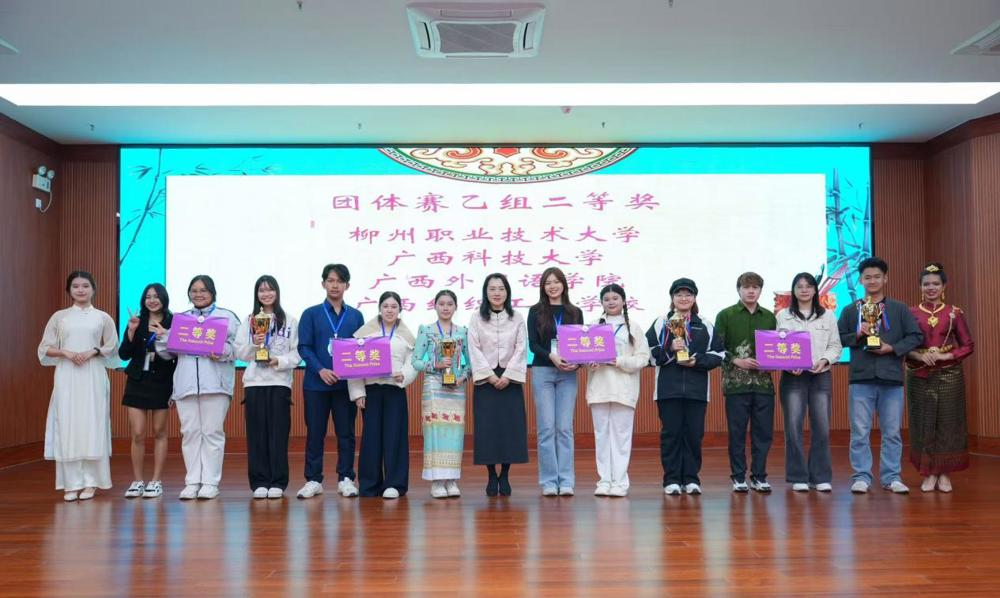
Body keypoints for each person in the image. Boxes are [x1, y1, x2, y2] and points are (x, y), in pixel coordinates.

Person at [837, 257, 923, 494]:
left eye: (877, 276)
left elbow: (915, 336)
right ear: (860, 280)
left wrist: (892, 348)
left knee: (892, 432)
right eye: (867, 277)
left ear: (885, 278)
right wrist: (856, 333)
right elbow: (838, 338)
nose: (872, 281)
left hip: (892, 377)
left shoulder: (899, 309)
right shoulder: (850, 310)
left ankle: (891, 477)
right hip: (861, 378)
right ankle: (862, 477)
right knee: (860, 432)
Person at [155, 274, 240, 500]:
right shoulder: (180, 318)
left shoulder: (227, 317)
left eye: (203, 290)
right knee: (190, 433)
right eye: (194, 290)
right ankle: (192, 481)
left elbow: (239, 349)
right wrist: (164, 337)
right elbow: (166, 353)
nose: (198, 294)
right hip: (186, 385)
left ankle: (210, 482)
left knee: (212, 433)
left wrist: (221, 351)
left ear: (212, 292)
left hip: (216, 384)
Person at [38, 271, 118, 501]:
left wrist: (93, 351)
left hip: (93, 374)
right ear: (69, 290)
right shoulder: (59, 317)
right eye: (76, 286)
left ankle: (92, 482)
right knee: (67, 423)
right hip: (66, 374)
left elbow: (112, 347)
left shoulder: (102, 317)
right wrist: (65, 352)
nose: (81, 290)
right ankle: (70, 483)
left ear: (93, 289)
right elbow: (44, 349)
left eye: (85, 286)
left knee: (92, 423)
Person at [646, 278, 725, 496]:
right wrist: (669, 347)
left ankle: (691, 479)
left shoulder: (705, 324)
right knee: (671, 434)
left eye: (688, 294)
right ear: (672, 298)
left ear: (694, 298)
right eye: (679, 294)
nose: (684, 298)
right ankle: (671, 479)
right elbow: (648, 354)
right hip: (667, 390)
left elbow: (719, 355)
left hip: (697, 391)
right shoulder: (661, 323)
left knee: (693, 434)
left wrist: (696, 361)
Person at [296, 264, 365, 499]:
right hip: (316, 384)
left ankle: (346, 478)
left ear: (347, 285)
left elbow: (360, 349)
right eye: (331, 280)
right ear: (323, 283)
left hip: (345, 386)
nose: (335, 285)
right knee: (315, 433)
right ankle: (313, 479)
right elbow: (304, 347)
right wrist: (320, 369)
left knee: (346, 433)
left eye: (340, 281)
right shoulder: (311, 314)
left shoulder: (356, 316)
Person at [905, 263, 975, 493]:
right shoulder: (911, 313)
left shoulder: (954, 312)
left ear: (944, 286)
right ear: (920, 287)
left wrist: (945, 355)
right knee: (923, 422)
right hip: (920, 374)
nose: (931, 287)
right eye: (926, 284)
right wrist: (919, 355)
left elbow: (968, 345)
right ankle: (929, 472)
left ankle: (944, 473)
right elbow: (904, 344)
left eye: (936, 283)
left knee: (948, 423)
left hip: (949, 375)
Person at [775, 273, 843, 492]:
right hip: (792, 377)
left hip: (820, 375)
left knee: (821, 427)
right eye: (799, 286)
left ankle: (820, 476)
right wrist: (787, 364)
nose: (804, 290)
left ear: (815, 290)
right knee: (793, 427)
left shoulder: (828, 316)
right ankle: (798, 476)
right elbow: (777, 347)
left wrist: (825, 360)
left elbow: (836, 346)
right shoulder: (783, 316)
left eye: (808, 286)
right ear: (793, 291)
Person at [234, 275, 300, 499]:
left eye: (270, 290)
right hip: (254, 384)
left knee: (278, 435)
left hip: (279, 383)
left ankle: (278, 482)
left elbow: (297, 353)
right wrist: (255, 342)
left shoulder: (290, 321)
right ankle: (259, 481)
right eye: (262, 290)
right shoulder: (249, 320)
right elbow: (239, 352)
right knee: (256, 435)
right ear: (256, 294)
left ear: (277, 292)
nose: (266, 294)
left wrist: (278, 362)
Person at [348, 292, 418, 499]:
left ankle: (394, 484)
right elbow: (354, 365)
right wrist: (358, 393)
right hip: (371, 392)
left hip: (395, 391)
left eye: (394, 306)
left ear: (400, 310)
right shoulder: (365, 333)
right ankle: (370, 484)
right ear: (379, 308)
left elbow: (412, 362)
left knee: (395, 437)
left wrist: (403, 375)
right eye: (386, 306)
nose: (389, 310)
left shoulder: (405, 335)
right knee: (371, 439)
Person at [714, 272, 777, 493]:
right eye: (746, 287)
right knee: (737, 432)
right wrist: (737, 360)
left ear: (761, 290)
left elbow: (776, 349)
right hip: (735, 384)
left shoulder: (769, 317)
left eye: (756, 287)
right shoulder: (726, 315)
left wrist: (772, 361)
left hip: (763, 385)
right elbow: (717, 348)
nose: (751, 291)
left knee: (763, 433)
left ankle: (759, 476)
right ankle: (738, 477)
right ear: (738, 289)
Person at [585, 284, 650, 497]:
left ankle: (620, 482)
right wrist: (590, 362)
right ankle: (604, 480)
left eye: (615, 298)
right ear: (601, 303)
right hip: (599, 388)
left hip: (624, 388)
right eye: (607, 299)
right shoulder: (593, 326)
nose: (611, 302)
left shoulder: (634, 328)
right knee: (601, 436)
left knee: (621, 437)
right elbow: (583, 355)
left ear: (623, 301)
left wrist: (618, 360)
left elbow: (643, 358)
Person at [467, 273, 529, 496]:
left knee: (509, 428)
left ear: (507, 292)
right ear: (486, 292)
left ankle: (505, 475)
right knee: (488, 429)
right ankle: (491, 474)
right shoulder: (476, 318)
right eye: (492, 289)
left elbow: (522, 347)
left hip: (510, 379)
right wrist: (490, 376)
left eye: (501, 288)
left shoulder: (517, 317)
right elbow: (473, 347)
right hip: (486, 379)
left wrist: (508, 375)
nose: (496, 293)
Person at [527, 267, 584, 496]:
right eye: (547, 282)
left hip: (568, 374)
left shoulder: (575, 311)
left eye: (556, 282)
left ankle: (567, 480)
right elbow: (532, 344)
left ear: (564, 284)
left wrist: (577, 363)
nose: (552, 286)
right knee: (546, 428)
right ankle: (550, 482)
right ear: (543, 286)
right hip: (543, 372)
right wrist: (551, 355)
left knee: (564, 429)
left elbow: (581, 344)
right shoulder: (536, 311)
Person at [119, 283, 177, 499]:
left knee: (160, 432)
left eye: (156, 296)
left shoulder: (173, 321)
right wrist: (131, 331)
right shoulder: (137, 320)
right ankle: (137, 481)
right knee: (137, 433)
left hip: (163, 382)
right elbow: (124, 354)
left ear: (164, 298)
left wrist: (166, 335)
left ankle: (156, 481)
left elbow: (180, 354)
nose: (152, 300)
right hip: (137, 381)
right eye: (148, 296)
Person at [412, 290, 472, 499]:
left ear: (456, 307)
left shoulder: (463, 332)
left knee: (454, 432)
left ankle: (452, 479)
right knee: (435, 431)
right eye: (441, 304)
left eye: (449, 304)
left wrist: (462, 377)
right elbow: (416, 361)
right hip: (434, 386)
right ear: (435, 306)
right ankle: (437, 481)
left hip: (456, 387)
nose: (445, 307)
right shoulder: (426, 330)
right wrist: (434, 365)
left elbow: (471, 363)